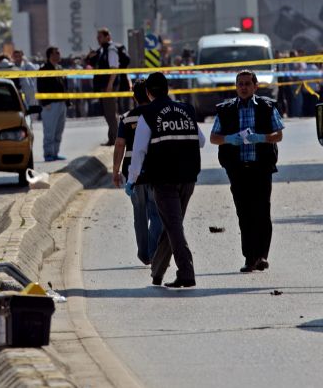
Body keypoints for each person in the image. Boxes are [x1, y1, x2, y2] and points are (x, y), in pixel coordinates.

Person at [127, 72, 205, 288]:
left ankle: (186, 272)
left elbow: (139, 150)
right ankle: (157, 272)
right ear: (168, 89)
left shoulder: (148, 114)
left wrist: (132, 180)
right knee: (171, 224)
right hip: (188, 177)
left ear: (148, 93)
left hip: (164, 180)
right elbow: (201, 141)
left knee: (173, 226)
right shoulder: (186, 109)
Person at [209, 70, 284, 273]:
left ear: (255, 86)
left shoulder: (267, 107)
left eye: (247, 84)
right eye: (240, 84)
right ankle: (249, 258)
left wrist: (262, 138)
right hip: (237, 169)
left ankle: (262, 256)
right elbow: (213, 137)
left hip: (261, 167)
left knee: (262, 211)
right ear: (236, 87)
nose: (243, 87)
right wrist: (228, 139)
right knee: (244, 213)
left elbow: (278, 134)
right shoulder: (225, 110)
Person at [111, 79, 162, 265]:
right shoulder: (158, 115)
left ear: (134, 96)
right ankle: (152, 248)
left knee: (139, 213)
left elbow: (119, 144)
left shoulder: (126, 117)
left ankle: (144, 253)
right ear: (150, 93)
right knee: (156, 213)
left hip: (132, 171)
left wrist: (115, 171)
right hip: (155, 170)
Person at [87, 28, 130, 145]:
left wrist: (110, 85)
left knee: (111, 113)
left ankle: (117, 139)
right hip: (104, 86)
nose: (98, 40)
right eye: (97, 37)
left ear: (107, 37)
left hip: (109, 86)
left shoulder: (111, 49)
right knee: (108, 113)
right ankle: (112, 138)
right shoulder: (102, 50)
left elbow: (114, 68)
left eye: (100, 37)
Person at [37, 46, 68, 161]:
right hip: (50, 105)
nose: (59, 55)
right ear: (50, 55)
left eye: (59, 53)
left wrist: (67, 102)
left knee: (59, 131)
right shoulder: (44, 69)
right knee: (49, 131)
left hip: (61, 104)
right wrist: (45, 103)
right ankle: (48, 154)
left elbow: (65, 86)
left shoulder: (60, 68)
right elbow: (40, 87)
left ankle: (55, 153)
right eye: (56, 53)